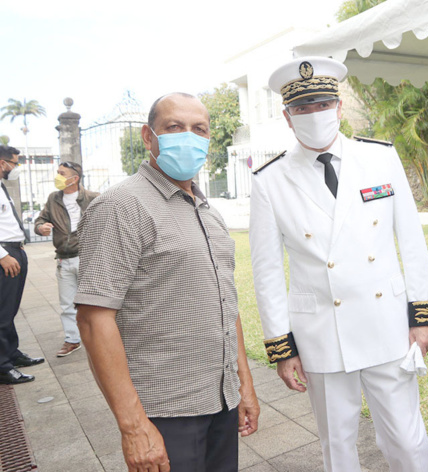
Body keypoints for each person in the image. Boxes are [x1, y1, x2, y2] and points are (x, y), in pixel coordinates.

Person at [250, 57, 428, 472]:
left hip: (386, 323)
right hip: (320, 331)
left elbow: (411, 240)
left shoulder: (380, 158)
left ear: (337, 107)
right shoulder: (270, 180)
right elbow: (266, 271)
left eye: (321, 104)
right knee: (337, 447)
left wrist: (423, 315)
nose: (313, 114)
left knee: (407, 440)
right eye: (302, 108)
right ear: (287, 117)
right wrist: (282, 347)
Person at [75, 93, 259, 472]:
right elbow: (94, 320)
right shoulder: (122, 206)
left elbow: (227, 304)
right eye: (174, 127)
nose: (188, 137)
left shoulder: (208, 213)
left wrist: (244, 385)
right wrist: (134, 427)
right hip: (166, 410)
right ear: (148, 136)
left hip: (221, 402)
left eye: (199, 129)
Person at [34, 161, 98, 357]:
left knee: (95, 301)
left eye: (62, 173)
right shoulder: (54, 199)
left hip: (86, 258)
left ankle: (100, 337)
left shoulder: (93, 198)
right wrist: (40, 227)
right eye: (58, 172)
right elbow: (40, 220)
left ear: (74, 178)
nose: (58, 176)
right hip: (64, 258)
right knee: (67, 304)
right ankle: (72, 339)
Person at [0, 144, 44, 385]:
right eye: (14, 163)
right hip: (4, 253)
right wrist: (2, 255)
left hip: (13, 250)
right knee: (2, 312)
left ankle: (12, 353)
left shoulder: (1, 186)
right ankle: (2, 365)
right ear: (2, 163)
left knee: (10, 309)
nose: (15, 168)